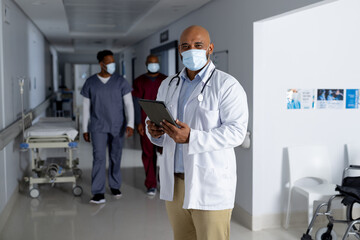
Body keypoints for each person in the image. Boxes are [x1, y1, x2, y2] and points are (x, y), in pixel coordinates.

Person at [146, 25, 248, 240]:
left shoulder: (227, 85)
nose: (191, 50)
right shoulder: (168, 84)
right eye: (185, 46)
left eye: (198, 45)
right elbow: (160, 126)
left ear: (210, 48)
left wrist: (192, 137)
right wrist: (155, 131)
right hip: (175, 183)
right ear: (180, 51)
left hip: (209, 183)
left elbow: (237, 132)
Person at [81, 50, 134, 204]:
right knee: (98, 158)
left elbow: (129, 104)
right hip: (98, 126)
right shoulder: (90, 82)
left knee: (115, 157)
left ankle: (115, 185)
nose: (112, 65)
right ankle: (98, 192)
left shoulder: (120, 81)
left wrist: (130, 124)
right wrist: (85, 128)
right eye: (109, 62)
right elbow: (85, 107)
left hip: (117, 125)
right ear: (101, 64)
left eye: (113, 62)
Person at [132, 55, 167, 196]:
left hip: (164, 121)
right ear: (146, 64)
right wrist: (138, 122)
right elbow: (135, 103)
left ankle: (164, 181)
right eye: (151, 63)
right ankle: (151, 184)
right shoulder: (139, 81)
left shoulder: (166, 80)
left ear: (158, 64)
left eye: (155, 63)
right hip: (146, 122)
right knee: (148, 153)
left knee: (165, 154)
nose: (153, 65)